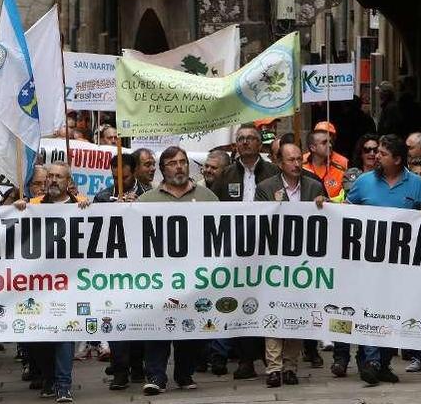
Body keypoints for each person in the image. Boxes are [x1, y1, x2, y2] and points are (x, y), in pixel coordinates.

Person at [341, 134, 421, 386]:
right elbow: (346, 211)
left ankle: (382, 363)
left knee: (393, 313)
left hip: (400, 266)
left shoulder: (417, 184)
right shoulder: (363, 182)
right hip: (368, 263)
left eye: (382, 154)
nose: (375, 156)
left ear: (396, 159)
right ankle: (371, 361)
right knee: (369, 309)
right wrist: (325, 206)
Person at [138, 147, 218, 393]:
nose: (180, 166)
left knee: (191, 327)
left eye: (183, 162)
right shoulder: (146, 200)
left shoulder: (207, 197)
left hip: (195, 277)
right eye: (173, 163)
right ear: (163, 169)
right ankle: (155, 376)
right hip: (159, 277)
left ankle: (184, 374)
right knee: (157, 327)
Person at [255, 143, 327, 388]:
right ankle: (273, 368)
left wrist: (323, 205)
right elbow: (258, 222)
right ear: (280, 163)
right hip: (275, 261)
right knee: (274, 311)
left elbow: (327, 219)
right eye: (291, 160)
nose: (297, 164)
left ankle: (290, 366)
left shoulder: (314, 186)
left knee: (297, 312)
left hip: (304, 263)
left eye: (299, 159)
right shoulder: (266, 188)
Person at [13, 163, 87, 403]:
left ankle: (63, 384)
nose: (53, 180)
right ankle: (49, 377)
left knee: (65, 332)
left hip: (69, 283)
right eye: (50, 176)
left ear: (69, 181)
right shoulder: (32, 206)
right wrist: (16, 210)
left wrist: (91, 209)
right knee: (40, 338)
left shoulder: (81, 203)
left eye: (58, 177)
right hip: (38, 283)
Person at [210, 124, 279, 379]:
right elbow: (213, 210)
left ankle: (269, 354)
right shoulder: (225, 175)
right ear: (235, 145)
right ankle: (245, 359)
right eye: (241, 139)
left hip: (268, 245)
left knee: (266, 298)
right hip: (235, 247)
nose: (246, 142)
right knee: (239, 301)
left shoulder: (273, 171)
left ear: (260, 144)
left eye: (251, 138)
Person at [93, 153, 146, 390]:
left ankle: (137, 366)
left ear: (134, 171)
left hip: (141, 269)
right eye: (114, 171)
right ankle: (120, 371)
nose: (119, 176)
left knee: (139, 320)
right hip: (113, 270)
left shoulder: (147, 195)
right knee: (115, 320)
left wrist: (137, 206)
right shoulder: (103, 196)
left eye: (124, 172)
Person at [302, 128, 346, 200]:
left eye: (330, 142)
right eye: (324, 142)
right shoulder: (302, 169)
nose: (330, 145)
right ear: (313, 148)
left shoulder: (339, 171)